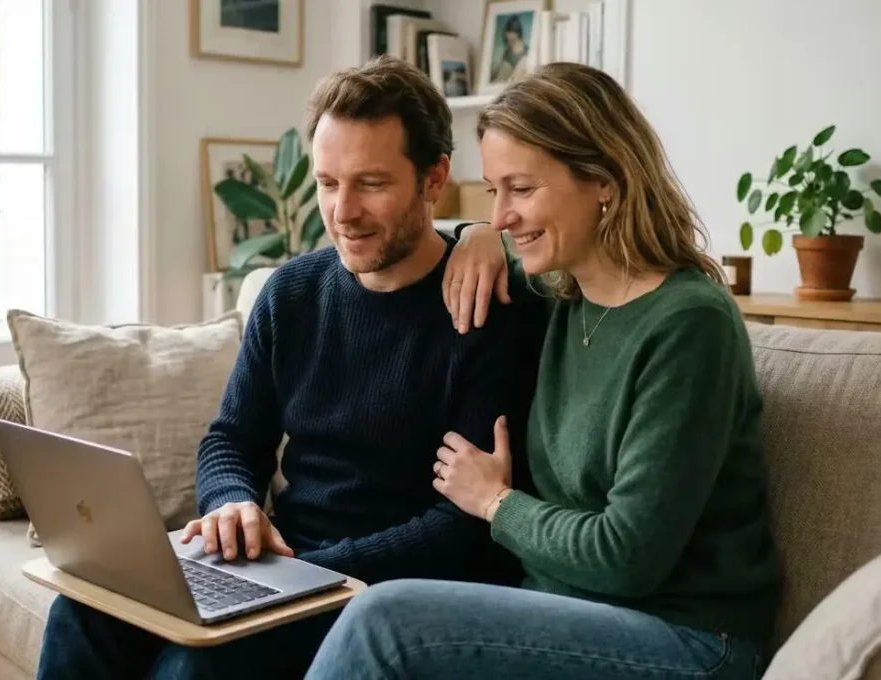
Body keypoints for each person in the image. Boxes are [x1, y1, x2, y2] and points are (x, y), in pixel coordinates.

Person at [35, 56, 543, 680]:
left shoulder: (486, 311)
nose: (343, 211)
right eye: (328, 183)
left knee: (192, 670)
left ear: (434, 178)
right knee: (79, 613)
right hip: (282, 567)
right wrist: (232, 504)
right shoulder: (292, 293)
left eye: (372, 183)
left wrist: (310, 569)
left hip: (382, 588)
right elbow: (232, 437)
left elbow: (462, 525)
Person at [304, 62, 780, 679]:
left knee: (384, 618)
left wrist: (497, 502)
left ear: (603, 181)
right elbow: (415, 234)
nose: (502, 215)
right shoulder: (560, 295)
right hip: (559, 611)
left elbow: (628, 557)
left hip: (687, 636)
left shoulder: (689, 324)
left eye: (521, 190)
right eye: (492, 192)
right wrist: (476, 234)